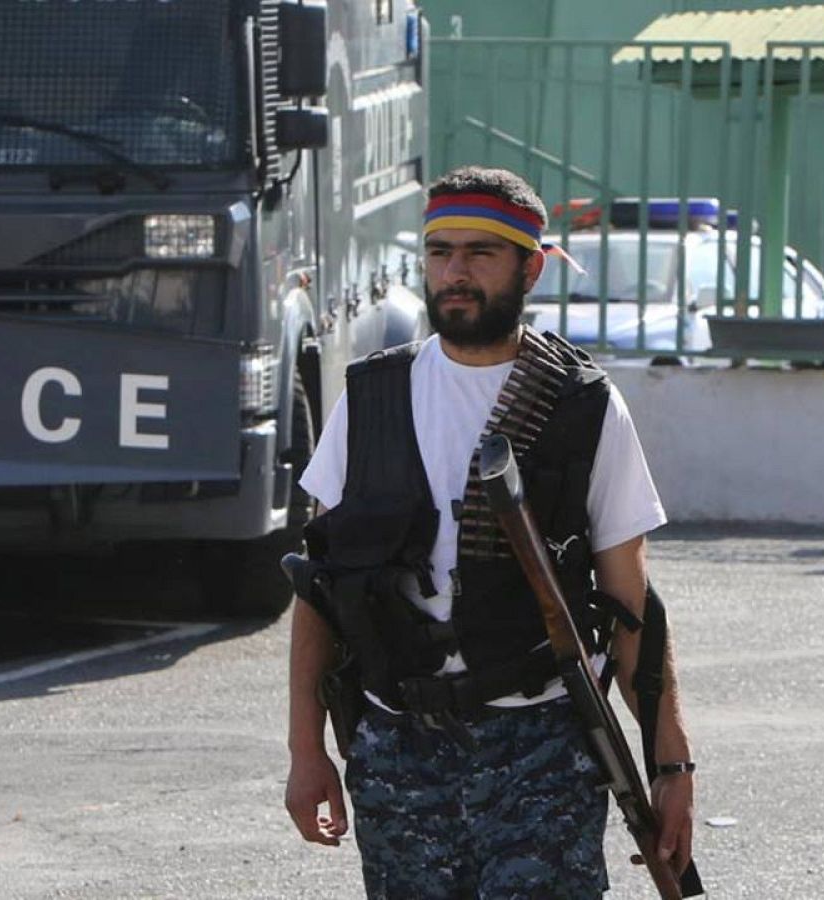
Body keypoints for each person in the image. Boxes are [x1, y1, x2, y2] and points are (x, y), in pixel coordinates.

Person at [283, 165, 695, 898]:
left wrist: (672, 767)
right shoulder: (372, 398)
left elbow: (633, 608)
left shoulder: (583, 407)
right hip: (398, 744)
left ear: (530, 267)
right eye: (441, 252)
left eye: (481, 253)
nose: (455, 272)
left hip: (540, 747)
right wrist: (305, 750)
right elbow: (319, 589)